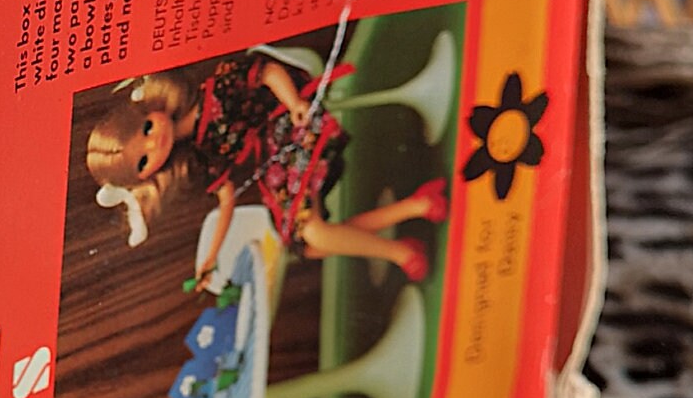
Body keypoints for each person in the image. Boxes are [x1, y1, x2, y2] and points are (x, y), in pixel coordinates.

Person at [85, 49, 447, 281]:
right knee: (306, 245)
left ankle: (402, 252)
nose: (155, 142)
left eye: (146, 129)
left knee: (312, 232)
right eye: (144, 159)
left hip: (289, 123)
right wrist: (210, 259)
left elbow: (268, 71)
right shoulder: (200, 155)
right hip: (276, 160)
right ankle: (416, 206)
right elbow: (226, 200)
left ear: (147, 109)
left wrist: (294, 104)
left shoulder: (219, 88)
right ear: (148, 175)